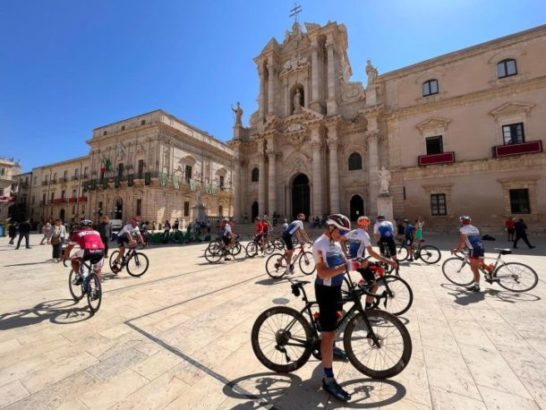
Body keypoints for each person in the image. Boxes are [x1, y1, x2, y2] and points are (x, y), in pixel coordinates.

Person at [312, 213, 353, 402]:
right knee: (328, 334)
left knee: (340, 317)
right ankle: (328, 378)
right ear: (331, 228)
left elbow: (345, 263)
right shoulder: (319, 244)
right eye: (342, 231)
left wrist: (359, 265)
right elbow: (321, 272)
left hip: (336, 288)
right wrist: (343, 268)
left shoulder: (336, 243)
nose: (343, 234)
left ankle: (330, 346)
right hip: (325, 290)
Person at [344, 216, 398, 307]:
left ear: (358, 224)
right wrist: (389, 261)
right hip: (359, 263)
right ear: (368, 225)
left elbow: (341, 240)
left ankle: (363, 282)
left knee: (374, 267)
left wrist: (345, 252)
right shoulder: (364, 235)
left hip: (352, 260)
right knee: (375, 286)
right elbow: (371, 252)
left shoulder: (352, 232)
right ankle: (368, 309)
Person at [452, 216, 487, 292]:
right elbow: (472, 240)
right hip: (481, 247)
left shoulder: (463, 229)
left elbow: (462, 242)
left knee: (474, 269)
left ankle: (477, 286)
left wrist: (457, 250)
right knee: (479, 265)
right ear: (470, 221)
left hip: (473, 249)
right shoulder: (475, 228)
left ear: (461, 222)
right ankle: (489, 272)